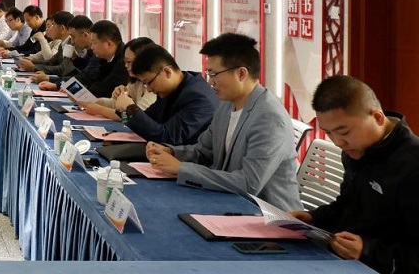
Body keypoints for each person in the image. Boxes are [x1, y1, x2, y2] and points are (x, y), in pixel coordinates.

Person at [145, 33, 301, 209]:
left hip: (265, 213)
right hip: (226, 202)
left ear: (241, 73)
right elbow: (203, 151)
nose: (210, 82)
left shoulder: (269, 118)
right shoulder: (226, 105)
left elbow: (248, 184)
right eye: (208, 74)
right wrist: (171, 152)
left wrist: (181, 168)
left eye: (214, 74)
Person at [288, 75, 419, 273]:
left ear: (377, 117)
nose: (337, 142)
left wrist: (366, 251)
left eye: (344, 132)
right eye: (329, 133)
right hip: (337, 257)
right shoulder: (356, 150)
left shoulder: (412, 164)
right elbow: (348, 205)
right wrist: (313, 218)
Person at [99, 44, 218, 145]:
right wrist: (123, 106)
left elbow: (166, 137)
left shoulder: (198, 97)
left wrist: (130, 108)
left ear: (167, 71)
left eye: (149, 82)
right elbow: (145, 121)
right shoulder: (171, 90)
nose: (149, 89)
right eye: (145, 84)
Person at [94, 36, 157, 111]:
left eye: (129, 62)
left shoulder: (155, 86)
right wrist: (119, 97)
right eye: (125, 62)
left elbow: (137, 114)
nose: (126, 65)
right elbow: (114, 104)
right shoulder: (137, 82)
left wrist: (99, 109)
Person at [34, 14, 94, 85]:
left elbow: (83, 78)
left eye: (73, 37)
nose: (72, 42)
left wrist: (52, 81)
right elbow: (83, 69)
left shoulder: (96, 54)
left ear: (85, 35)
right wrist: (75, 58)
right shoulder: (90, 52)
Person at [80, 20, 129, 98]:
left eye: (94, 43)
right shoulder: (103, 58)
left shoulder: (125, 61)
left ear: (108, 44)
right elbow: (92, 79)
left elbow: (105, 89)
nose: (92, 47)